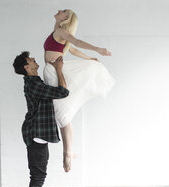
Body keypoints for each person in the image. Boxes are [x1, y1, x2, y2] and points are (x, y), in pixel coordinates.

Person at [43, 9, 116, 173]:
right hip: (51, 70)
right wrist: (88, 58)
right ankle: (68, 152)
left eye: (63, 12)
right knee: (61, 113)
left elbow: (77, 43)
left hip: (55, 71)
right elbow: (72, 50)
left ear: (66, 19)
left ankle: (68, 153)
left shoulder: (62, 31)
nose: (59, 11)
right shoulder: (57, 30)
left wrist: (97, 50)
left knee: (62, 113)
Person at [13, 51, 69, 187]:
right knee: (37, 177)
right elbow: (63, 92)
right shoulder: (33, 84)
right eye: (32, 60)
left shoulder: (35, 82)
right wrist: (59, 70)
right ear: (26, 67)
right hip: (36, 133)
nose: (35, 60)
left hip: (38, 133)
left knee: (38, 176)